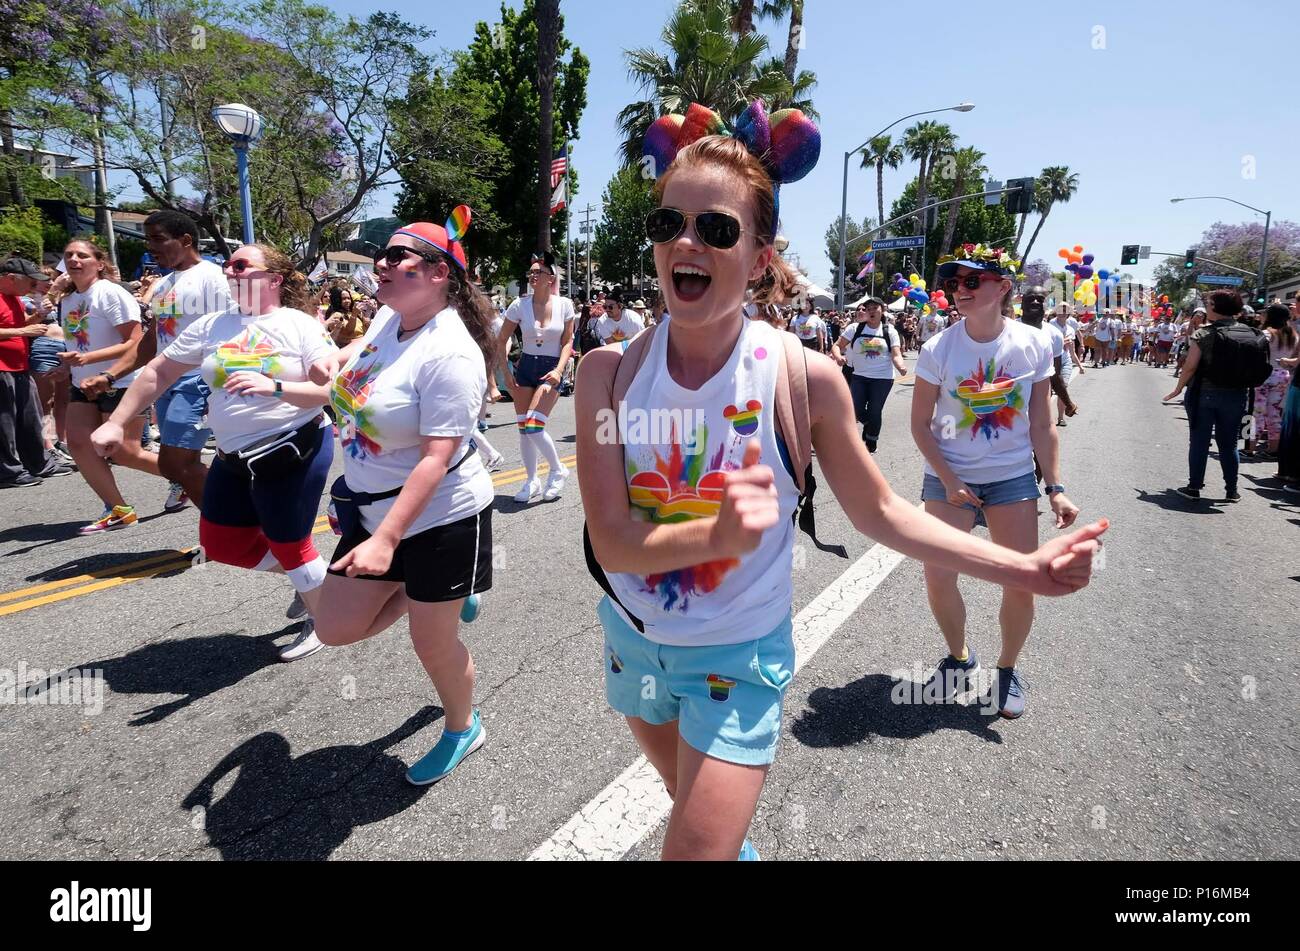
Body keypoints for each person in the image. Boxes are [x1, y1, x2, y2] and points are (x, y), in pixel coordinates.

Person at [579, 101, 1106, 861]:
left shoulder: (803, 380)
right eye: (669, 224)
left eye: (717, 228)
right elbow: (615, 544)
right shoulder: (607, 375)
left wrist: (1021, 565)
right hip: (631, 642)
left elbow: (884, 511)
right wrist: (720, 533)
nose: (686, 242)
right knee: (686, 805)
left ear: (761, 256)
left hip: (735, 659)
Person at [310, 212, 497, 785]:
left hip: (441, 515)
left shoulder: (452, 354)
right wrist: (333, 361)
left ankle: (463, 727)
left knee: (430, 641)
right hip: (370, 507)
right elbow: (359, 365)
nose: (381, 264)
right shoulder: (388, 320)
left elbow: (436, 460)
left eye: (396, 257)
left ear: (440, 273)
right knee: (333, 628)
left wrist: (389, 540)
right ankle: (438, 595)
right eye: (381, 256)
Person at [911, 245, 1085, 722]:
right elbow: (920, 425)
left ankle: (1007, 669)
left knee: (1020, 578)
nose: (959, 290)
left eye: (972, 281)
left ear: (1003, 287)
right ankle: (960, 656)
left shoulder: (1033, 343)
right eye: (954, 283)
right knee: (938, 573)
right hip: (950, 475)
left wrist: (1055, 487)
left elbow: (1041, 424)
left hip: (1011, 479)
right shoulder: (937, 348)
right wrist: (947, 479)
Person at [57, 240, 166, 531]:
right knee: (79, 444)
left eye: (82, 255)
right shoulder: (67, 299)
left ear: (99, 263)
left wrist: (88, 358)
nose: (74, 259)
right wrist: (69, 364)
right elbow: (78, 341)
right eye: (69, 255)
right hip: (83, 383)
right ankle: (119, 510)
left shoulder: (109, 293)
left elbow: (135, 342)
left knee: (123, 452)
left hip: (121, 381)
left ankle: (186, 476)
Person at [1164, 290, 1270, 503]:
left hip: (1205, 394)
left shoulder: (1204, 334)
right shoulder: (1251, 332)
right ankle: (1232, 490)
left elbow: (1190, 367)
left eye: (1209, 304)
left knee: (1199, 442)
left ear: (1216, 307)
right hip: (1237, 395)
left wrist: (1177, 389)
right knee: (1229, 444)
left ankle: (1194, 487)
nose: (1207, 307)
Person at [499, 251, 575, 503]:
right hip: (526, 367)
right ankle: (531, 480)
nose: (532, 276)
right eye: (530, 272)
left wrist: (558, 370)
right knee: (524, 429)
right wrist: (505, 372)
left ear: (550, 277)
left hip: (551, 368)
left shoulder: (565, 304)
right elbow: (501, 339)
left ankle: (557, 469)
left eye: (537, 272)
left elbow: (568, 342)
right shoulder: (519, 305)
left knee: (534, 426)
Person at [0, 257, 72, 488]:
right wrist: (25, 329)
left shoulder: (14, 299)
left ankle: (39, 464)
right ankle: (8, 473)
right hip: (3, 369)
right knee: (5, 424)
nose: (34, 287)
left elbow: (18, 328)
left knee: (29, 420)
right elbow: (18, 330)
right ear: (11, 279)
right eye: (31, 283)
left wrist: (38, 317)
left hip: (19, 366)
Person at [831, 297, 906, 453]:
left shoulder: (889, 330)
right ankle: (869, 424)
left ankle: (871, 440)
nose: (871, 311)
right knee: (855, 409)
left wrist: (901, 366)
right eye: (868, 309)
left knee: (874, 410)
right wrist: (838, 357)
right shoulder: (855, 329)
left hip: (882, 378)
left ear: (882, 310)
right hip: (859, 376)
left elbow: (896, 353)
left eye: (874, 308)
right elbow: (837, 346)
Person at [1249, 304, 1298, 457]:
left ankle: (1248, 448)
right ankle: (1273, 449)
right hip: (1283, 375)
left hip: (1263, 376)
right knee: (1275, 414)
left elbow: (1254, 352)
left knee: (1255, 413)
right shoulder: (1293, 335)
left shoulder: (1266, 334)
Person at [1051, 304, 1085, 425]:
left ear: (1068, 314)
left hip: (1065, 361)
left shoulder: (1070, 329)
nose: (1062, 313)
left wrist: (1080, 365)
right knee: (1048, 390)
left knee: (1063, 387)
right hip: (1052, 360)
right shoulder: (1050, 325)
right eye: (1060, 310)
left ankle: (1060, 418)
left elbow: (1071, 351)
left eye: (1065, 311)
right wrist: (1062, 342)